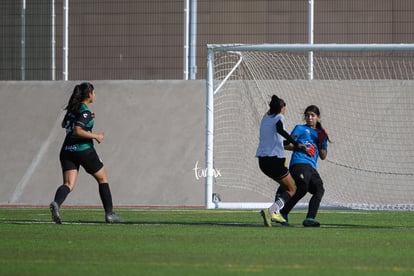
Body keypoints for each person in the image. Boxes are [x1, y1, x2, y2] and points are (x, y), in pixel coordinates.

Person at [49, 82, 121, 224]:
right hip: (84, 150)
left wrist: (85, 117)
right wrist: (96, 136)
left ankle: (56, 203)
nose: (95, 94)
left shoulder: (73, 110)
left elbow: (65, 124)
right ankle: (110, 214)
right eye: (93, 92)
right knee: (102, 178)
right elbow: (77, 130)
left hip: (67, 151)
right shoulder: (85, 111)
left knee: (68, 184)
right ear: (89, 94)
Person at [256, 95, 307, 227]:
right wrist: (295, 143)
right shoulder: (279, 117)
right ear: (281, 108)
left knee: (285, 186)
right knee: (292, 189)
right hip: (274, 161)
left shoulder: (265, 119)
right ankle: (272, 211)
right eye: (284, 108)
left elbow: (278, 140)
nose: (285, 111)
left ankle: (275, 211)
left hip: (262, 162)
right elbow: (280, 129)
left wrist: (294, 145)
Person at [276, 105, 330, 227]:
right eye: (307, 115)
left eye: (312, 115)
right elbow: (286, 144)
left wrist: (321, 143)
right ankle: (283, 213)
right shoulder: (299, 128)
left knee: (319, 190)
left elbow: (323, 156)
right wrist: (301, 147)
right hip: (299, 164)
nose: (309, 118)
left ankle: (310, 218)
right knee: (303, 187)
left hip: (312, 168)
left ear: (318, 117)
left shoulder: (321, 133)